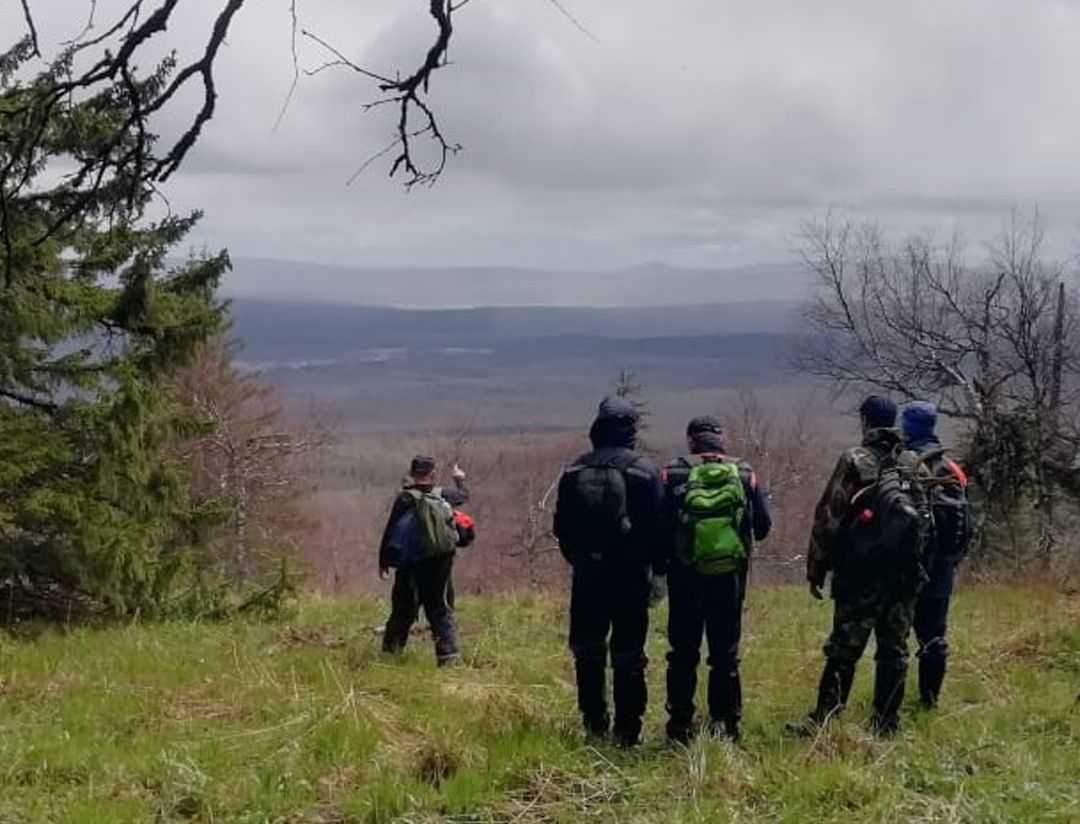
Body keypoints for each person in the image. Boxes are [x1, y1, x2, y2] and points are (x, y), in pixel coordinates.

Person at [787, 395, 929, 737]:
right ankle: (885, 724)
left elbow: (829, 517)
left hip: (860, 574)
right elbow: (925, 521)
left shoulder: (854, 460)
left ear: (866, 421)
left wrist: (817, 568)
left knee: (844, 648)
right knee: (894, 649)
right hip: (904, 575)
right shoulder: (914, 463)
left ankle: (824, 719)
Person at [553, 396, 665, 747]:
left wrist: (581, 560)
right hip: (630, 576)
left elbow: (562, 527)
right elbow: (659, 528)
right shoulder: (643, 471)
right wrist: (655, 570)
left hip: (588, 573)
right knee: (629, 653)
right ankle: (628, 730)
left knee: (588, 650)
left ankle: (594, 721)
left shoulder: (574, 471)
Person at [662, 415, 772, 743]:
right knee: (725, 652)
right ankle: (726, 724)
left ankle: (680, 725)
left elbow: (659, 526)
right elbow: (763, 527)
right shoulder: (744, 473)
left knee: (682, 651)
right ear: (721, 438)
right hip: (729, 578)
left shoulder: (673, 472)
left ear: (690, 439)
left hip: (684, 578)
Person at [902, 401, 972, 708]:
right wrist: (950, 560)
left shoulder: (903, 463)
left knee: (896, 638)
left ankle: (889, 702)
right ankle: (929, 701)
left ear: (907, 427)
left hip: (904, 567)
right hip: (941, 568)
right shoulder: (953, 469)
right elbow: (967, 524)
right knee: (933, 637)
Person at [378, 456, 471, 665]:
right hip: (441, 563)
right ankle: (448, 657)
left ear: (412, 473)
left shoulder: (405, 499)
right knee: (440, 608)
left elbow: (391, 529)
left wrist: (383, 562)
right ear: (433, 474)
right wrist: (459, 479)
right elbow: (464, 495)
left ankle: (391, 654)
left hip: (410, 565)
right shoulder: (444, 495)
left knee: (403, 610)